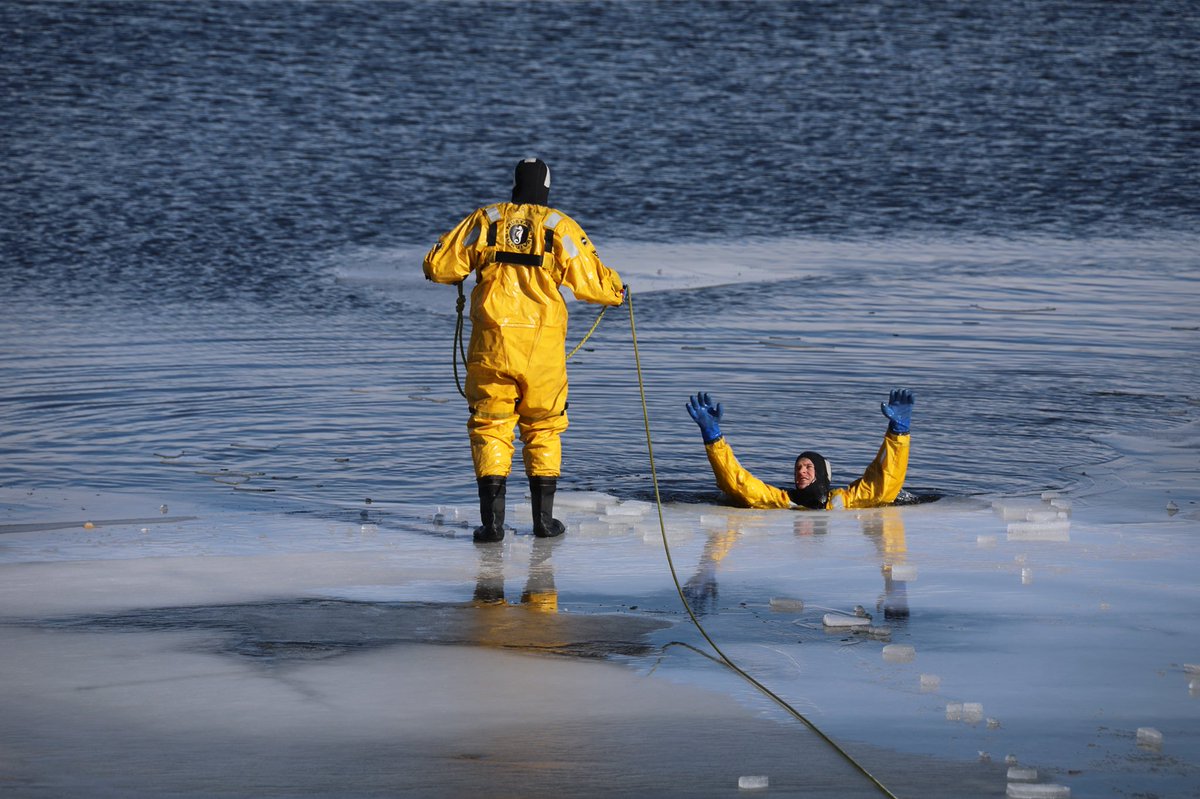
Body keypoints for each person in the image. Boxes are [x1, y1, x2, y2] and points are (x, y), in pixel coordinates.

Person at [424, 158, 625, 543]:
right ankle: (543, 522)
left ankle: (492, 526)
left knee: (491, 427)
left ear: (514, 185)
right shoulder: (559, 227)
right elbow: (593, 281)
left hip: (493, 345)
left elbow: (439, 267)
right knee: (544, 427)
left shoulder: (486, 220)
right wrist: (617, 291)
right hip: (542, 349)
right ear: (547, 189)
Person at [685, 389, 914, 510]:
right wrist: (712, 436)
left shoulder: (844, 502)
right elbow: (737, 483)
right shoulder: (781, 501)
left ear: (822, 474)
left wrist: (898, 432)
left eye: (808, 467)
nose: (801, 471)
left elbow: (884, 485)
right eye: (798, 467)